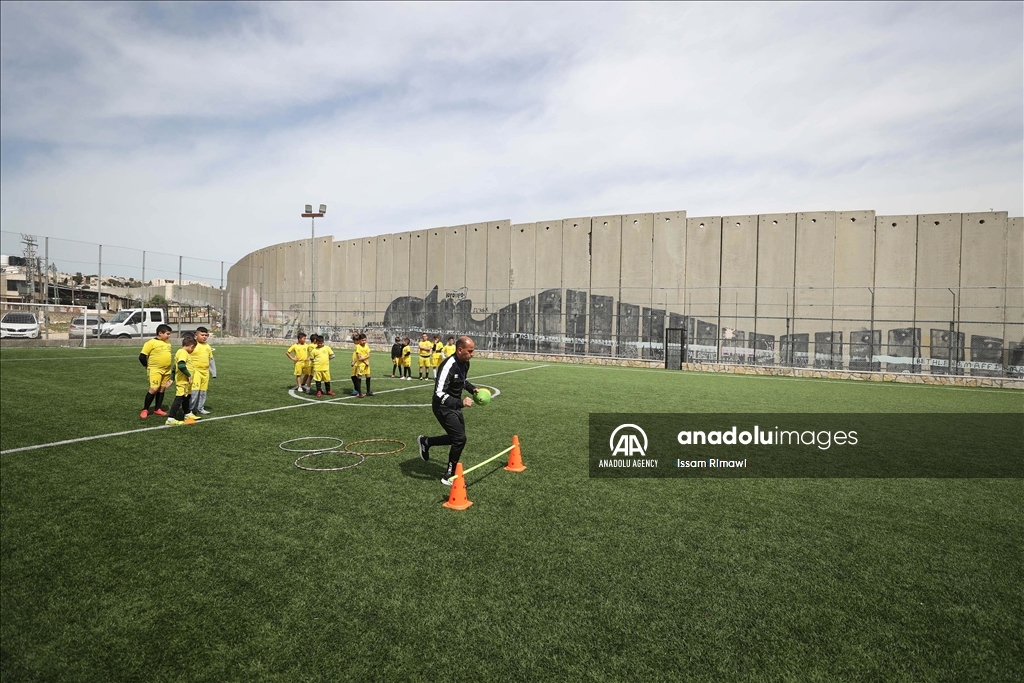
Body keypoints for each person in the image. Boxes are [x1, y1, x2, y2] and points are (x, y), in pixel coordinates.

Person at [417, 335, 480, 485]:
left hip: (454, 406)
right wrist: (460, 402)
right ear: (460, 350)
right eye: (470, 351)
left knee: (456, 438)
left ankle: (426, 442)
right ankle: (449, 476)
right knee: (459, 439)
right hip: (442, 407)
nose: (472, 354)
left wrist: (472, 389)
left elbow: (462, 380)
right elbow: (438, 394)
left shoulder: (465, 363)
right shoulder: (448, 365)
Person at [139, 324, 173, 419]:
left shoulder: (168, 343)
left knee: (162, 389)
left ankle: (157, 409)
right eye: (167, 334)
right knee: (154, 389)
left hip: (166, 370)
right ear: (160, 333)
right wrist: (146, 366)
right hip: (155, 370)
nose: (169, 336)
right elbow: (142, 357)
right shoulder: (151, 343)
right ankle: (145, 409)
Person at [167, 334, 198, 425]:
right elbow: (181, 365)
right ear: (192, 346)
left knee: (186, 397)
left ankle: (187, 414)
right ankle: (170, 419)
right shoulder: (183, 352)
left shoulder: (182, 352)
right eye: (194, 348)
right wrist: (188, 375)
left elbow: (174, 367)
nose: (193, 350)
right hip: (183, 381)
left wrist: (172, 379)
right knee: (179, 398)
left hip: (186, 382)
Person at [190, 326, 214, 414]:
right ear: (196, 335)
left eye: (206, 335)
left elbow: (211, 359)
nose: (204, 337)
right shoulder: (192, 345)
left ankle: (200, 408)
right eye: (202, 335)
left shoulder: (207, 346)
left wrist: (213, 372)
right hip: (195, 371)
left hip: (205, 372)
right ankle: (190, 409)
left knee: (203, 391)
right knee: (195, 391)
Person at [350, 333, 374, 397]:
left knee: (368, 376)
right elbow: (359, 357)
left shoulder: (366, 346)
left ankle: (368, 391)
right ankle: (359, 393)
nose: (364, 341)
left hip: (367, 364)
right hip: (361, 364)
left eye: (365, 340)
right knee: (359, 377)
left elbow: (368, 355)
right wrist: (365, 360)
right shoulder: (358, 347)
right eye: (362, 340)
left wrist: (364, 359)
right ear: (360, 340)